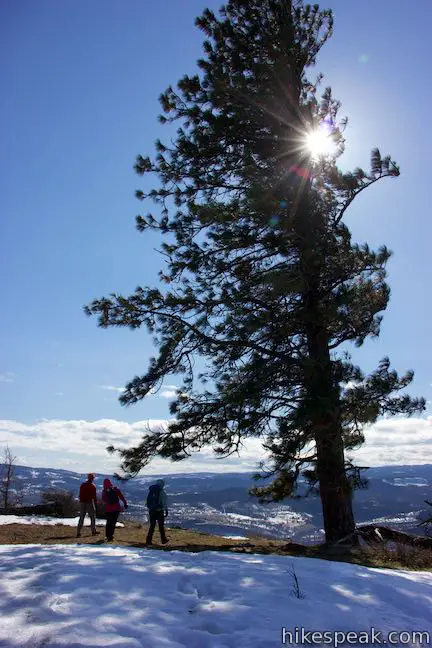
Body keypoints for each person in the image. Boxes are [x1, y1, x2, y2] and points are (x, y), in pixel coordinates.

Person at [101, 478, 128, 542]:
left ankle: (108, 536)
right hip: (116, 509)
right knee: (113, 523)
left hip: (108, 509)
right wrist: (125, 503)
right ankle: (111, 536)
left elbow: (103, 499)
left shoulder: (104, 491)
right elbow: (121, 496)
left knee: (109, 523)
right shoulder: (115, 489)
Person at [145, 479, 169, 546]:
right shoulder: (162, 492)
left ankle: (148, 541)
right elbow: (164, 502)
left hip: (152, 510)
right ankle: (163, 539)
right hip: (159, 511)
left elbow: (148, 501)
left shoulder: (151, 490)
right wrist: (165, 510)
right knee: (161, 526)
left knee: (152, 526)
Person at [77, 473, 99, 538]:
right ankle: (93, 531)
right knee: (92, 517)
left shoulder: (83, 485)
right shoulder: (92, 486)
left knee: (81, 517)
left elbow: (80, 494)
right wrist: (95, 504)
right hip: (89, 502)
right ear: (92, 478)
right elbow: (94, 497)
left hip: (82, 502)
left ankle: (78, 532)